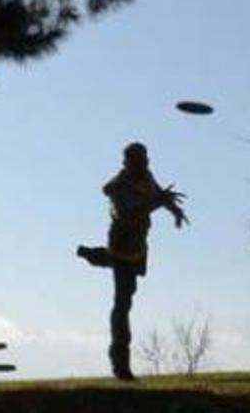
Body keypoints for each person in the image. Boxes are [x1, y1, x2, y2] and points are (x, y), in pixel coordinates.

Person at [77, 142, 187, 380]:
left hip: (139, 247)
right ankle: (121, 366)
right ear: (127, 163)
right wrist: (157, 203)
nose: (145, 164)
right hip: (122, 244)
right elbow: (128, 215)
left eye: (146, 160)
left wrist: (175, 211)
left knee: (126, 282)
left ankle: (95, 255)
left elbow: (159, 195)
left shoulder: (146, 176)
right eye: (139, 161)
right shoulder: (118, 188)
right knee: (123, 303)